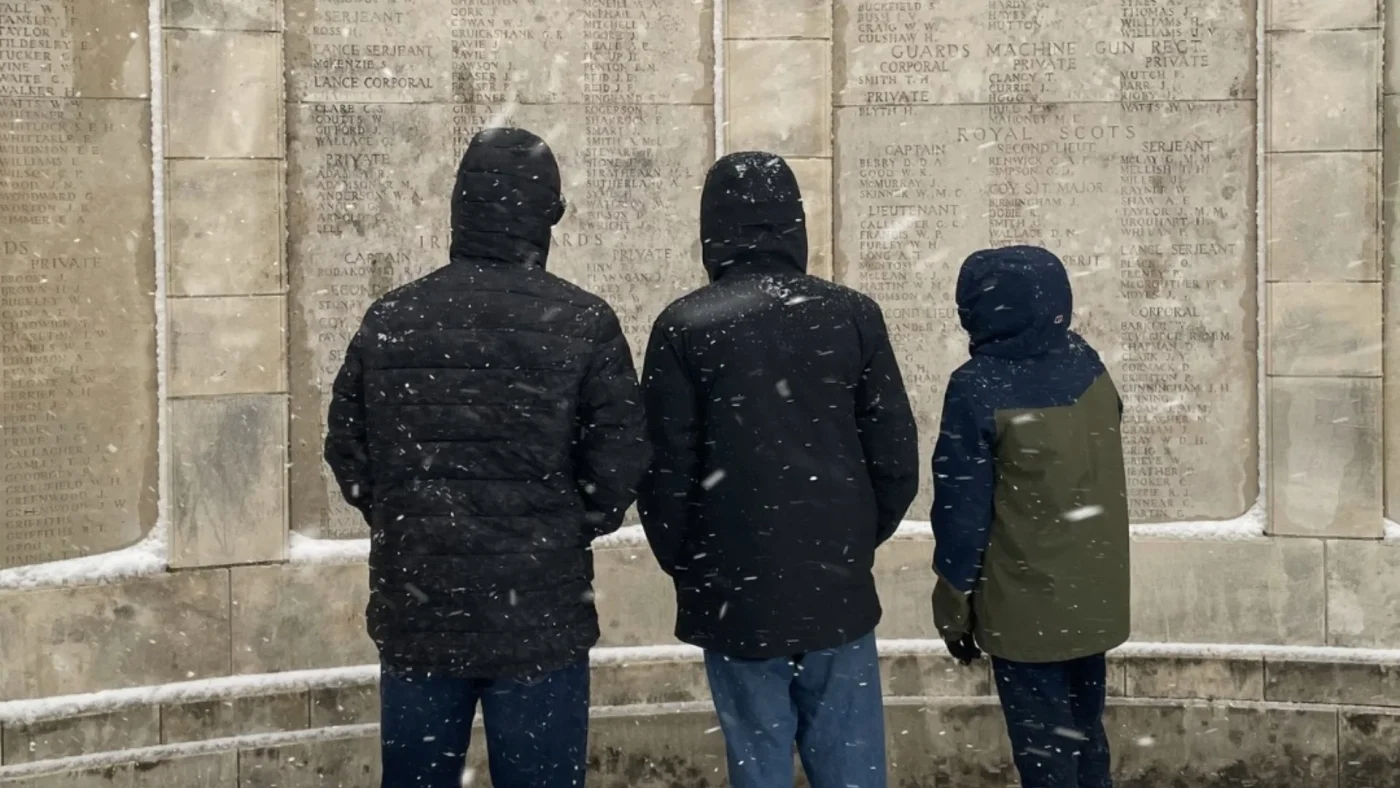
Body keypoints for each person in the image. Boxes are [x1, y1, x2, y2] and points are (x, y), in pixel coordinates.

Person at [323, 127, 649, 788]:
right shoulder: (583, 323)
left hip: (421, 613)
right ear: (544, 216)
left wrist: (409, 521)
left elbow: (348, 452)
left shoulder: (393, 316)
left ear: (460, 210)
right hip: (538, 617)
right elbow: (617, 467)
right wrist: (559, 528)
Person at [638, 151, 920, 788]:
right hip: (833, 585)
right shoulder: (851, 315)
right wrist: (846, 538)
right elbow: (896, 461)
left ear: (713, 227)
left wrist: (695, 561)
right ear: (795, 223)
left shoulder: (685, 326)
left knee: (757, 760)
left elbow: (662, 474)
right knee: (850, 764)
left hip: (735, 588)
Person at [931, 245, 1130, 788]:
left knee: (1046, 759)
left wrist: (952, 606)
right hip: (1091, 601)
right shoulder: (1088, 364)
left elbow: (960, 511)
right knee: (1085, 740)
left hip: (1026, 611)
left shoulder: (977, 386)